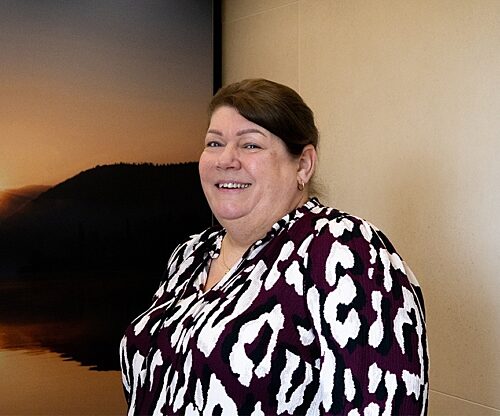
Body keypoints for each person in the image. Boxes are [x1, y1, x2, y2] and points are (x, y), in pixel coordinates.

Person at [120, 78, 429, 415]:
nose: (225, 159)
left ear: (303, 164)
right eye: (214, 143)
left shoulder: (344, 250)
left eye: (250, 145)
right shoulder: (190, 255)